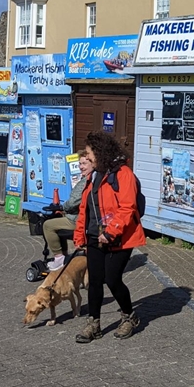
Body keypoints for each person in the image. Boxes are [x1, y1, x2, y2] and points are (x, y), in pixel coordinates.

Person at [72, 132, 145, 342]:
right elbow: (85, 209)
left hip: (121, 237)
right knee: (94, 282)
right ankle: (93, 324)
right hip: (95, 236)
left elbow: (127, 207)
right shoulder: (94, 176)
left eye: (88, 153)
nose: (86, 157)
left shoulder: (123, 174)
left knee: (112, 279)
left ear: (99, 152)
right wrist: (80, 235)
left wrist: (111, 231)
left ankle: (129, 316)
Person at [44, 151, 94, 271]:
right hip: (83, 218)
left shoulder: (86, 182)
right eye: (79, 164)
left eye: (84, 163)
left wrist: (62, 207)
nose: (81, 166)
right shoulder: (93, 178)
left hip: (77, 220)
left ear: (93, 163)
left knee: (48, 225)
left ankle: (59, 257)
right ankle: (64, 255)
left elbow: (73, 202)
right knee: (57, 221)